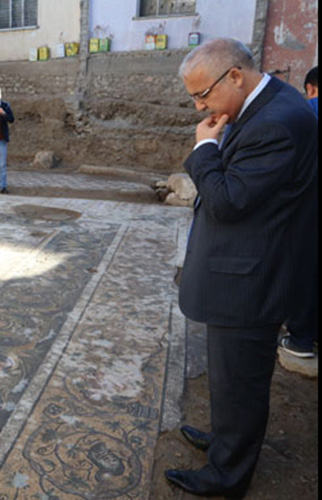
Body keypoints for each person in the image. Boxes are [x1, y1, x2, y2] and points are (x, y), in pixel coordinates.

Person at [166, 38, 318, 498]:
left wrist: (204, 150)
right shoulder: (268, 104)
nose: (199, 105)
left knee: (243, 381)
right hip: (243, 268)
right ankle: (225, 439)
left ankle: (227, 475)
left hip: (252, 278)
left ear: (235, 76)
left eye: (203, 94)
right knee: (230, 376)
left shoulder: (277, 122)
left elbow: (229, 201)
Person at [279, 65, 319, 359]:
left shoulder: (305, 113)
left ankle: (302, 338)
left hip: (309, 207)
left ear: (311, 88)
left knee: (305, 269)